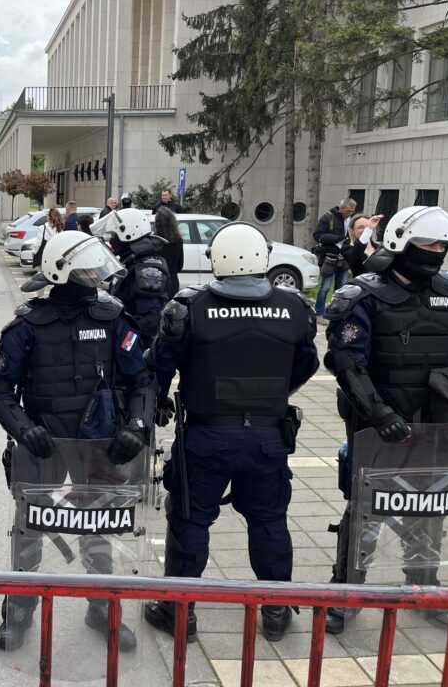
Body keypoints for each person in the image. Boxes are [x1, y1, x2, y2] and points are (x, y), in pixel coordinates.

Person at [144, 222, 319, 643]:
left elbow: (159, 364)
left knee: (190, 520)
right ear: (263, 258)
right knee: (269, 520)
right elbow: (307, 364)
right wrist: (274, 393)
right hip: (268, 437)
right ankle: (275, 609)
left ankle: (178, 612)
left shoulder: (190, 307)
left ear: (216, 259)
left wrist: (159, 402)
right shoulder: (295, 307)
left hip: (206, 437)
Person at [0, 230, 158, 652]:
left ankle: (102, 606)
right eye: (87, 270)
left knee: (99, 524)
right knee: (29, 526)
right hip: (43, 443)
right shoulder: (27, 325)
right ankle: (20, 606)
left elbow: (142, 381)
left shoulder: (113, 318)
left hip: (99, 443)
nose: (97, 276)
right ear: (62, 272)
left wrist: (137, 426)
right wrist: (23, 429)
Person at [322, 205, 448, 633]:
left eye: (443, 245)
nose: (437, 251)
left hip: (439, 428)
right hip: (382, 430)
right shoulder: (363, 296)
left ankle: (426, 585)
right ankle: (346, 592)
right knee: (367, 513)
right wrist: (380, 414)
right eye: (428, 243)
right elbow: (347, 363)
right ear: (400, 243)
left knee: (433, 510)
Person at [105, 208, 170, 349]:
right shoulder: (132, 261)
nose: (112, 240)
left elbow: (149, 322)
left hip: (135, 346)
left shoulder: (148, 270)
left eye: (114, 235)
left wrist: (125, 347)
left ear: (129, 234)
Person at [313, 198, 357, 317]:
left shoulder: (352, 220)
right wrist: (338, 238)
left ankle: (336, 313)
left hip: (345, 259)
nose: (350, 214)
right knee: (325, 287)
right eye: (348, 211)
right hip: (330, 258)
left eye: (352, 211)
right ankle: (319, 313)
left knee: (342, 289)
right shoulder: (328, 217)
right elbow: (317, 235)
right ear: (341, 208)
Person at [154, 206, 185, 299]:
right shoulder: (178, 241)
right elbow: (180, 266)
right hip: (173, 283)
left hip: (156, 283)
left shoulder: (154, 241)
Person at [346, 213, 381, 277]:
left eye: (368, 226)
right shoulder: (348, 248)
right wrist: (368, 229)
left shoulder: (379, 247)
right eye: (361, 227)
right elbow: (356, 255)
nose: (365, 230)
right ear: (352, 231)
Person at [31, 205, 65, 270]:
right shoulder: (60, 229)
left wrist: (34, 252)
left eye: (47, 215)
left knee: (42, 273)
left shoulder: (43, 228)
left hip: (44, 256)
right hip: (56, 257)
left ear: (49, 217)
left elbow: (38, 243)